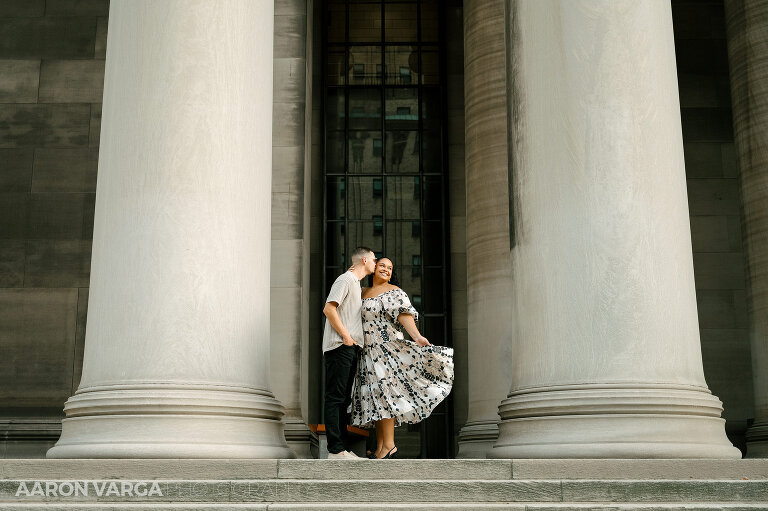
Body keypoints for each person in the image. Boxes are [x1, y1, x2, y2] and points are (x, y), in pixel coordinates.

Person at [350, 257, 454, 459]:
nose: (386, 270)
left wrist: (416, 336)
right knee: (375, 398)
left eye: (390, 268)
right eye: (382, 266)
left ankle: (389, 445)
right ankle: (381, 445)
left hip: (387, 349)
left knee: (385, 395)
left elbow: (403, 314)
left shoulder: (394, 291)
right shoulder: (362, 292)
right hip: (367, 352)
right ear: (373, 268)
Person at [322, 246, 377, 459]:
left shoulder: (355, 284)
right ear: (364, 260)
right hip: (339, 346)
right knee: (336, 398)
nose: (375, 263)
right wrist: (346, 336)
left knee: (343, 400)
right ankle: (335, 450)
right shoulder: (345, 279)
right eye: (374, 259)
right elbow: (329, 308)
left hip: (349, 348)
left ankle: (341, 449)